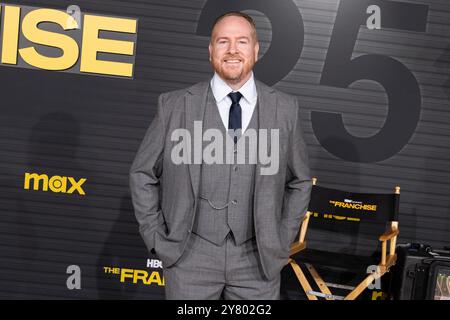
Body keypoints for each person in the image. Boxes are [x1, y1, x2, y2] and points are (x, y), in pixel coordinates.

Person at [129, 11, 311, 300]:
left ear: (255, 49)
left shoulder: (286, 109)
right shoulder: (174, 105)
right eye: (223, 41)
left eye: (242, 41)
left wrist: (280, 239)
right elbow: (142, 174)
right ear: (211, 50)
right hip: (189, 259)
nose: (232, 50)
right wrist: (157, 238)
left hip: (258, 263)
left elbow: (300, 181)